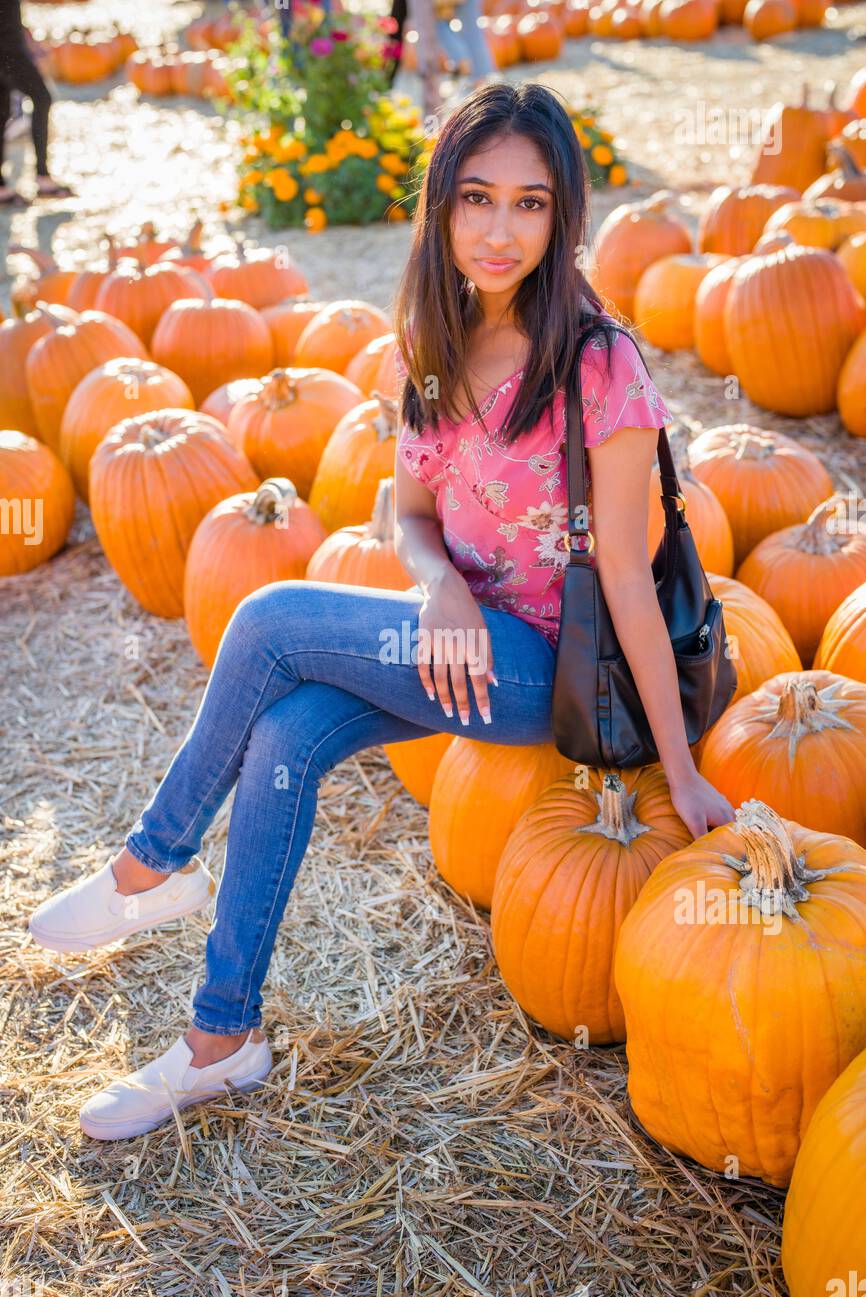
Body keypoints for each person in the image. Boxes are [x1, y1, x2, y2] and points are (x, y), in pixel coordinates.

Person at [28, 81, 735, 1142]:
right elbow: (403, 512)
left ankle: (148, 866)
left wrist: (680, 775)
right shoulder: (432, 344)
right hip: (453, 642)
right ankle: (222, 1039)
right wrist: (440, 583)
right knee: (285, 733)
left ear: (563, 215)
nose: (499, 231)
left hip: (546, 665)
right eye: (477, 199)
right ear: (441, 206)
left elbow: (628, 578)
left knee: (266, 618)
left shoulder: (600, 363)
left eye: (530, 205)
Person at [0, 0, 73, 207]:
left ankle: (1, 187)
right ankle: (42, 176)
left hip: (8, 41)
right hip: (9, 49)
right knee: (42, 99)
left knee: (2, 111)